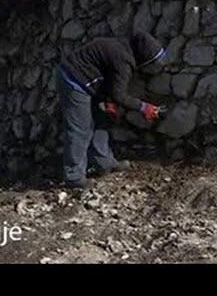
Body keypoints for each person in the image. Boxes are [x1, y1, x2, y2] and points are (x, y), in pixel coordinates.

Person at [57, 32, 167, 188]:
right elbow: (119, 95)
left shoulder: (121, 46)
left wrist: (108, 101)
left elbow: (109, 80)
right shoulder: (123, 60)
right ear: (143, 59)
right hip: (73, 80)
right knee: (80, 129)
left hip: (90, 81)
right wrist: (144, 107)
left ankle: (104, 163)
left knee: (101, 119)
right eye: (152, 64)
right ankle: (74, 177)